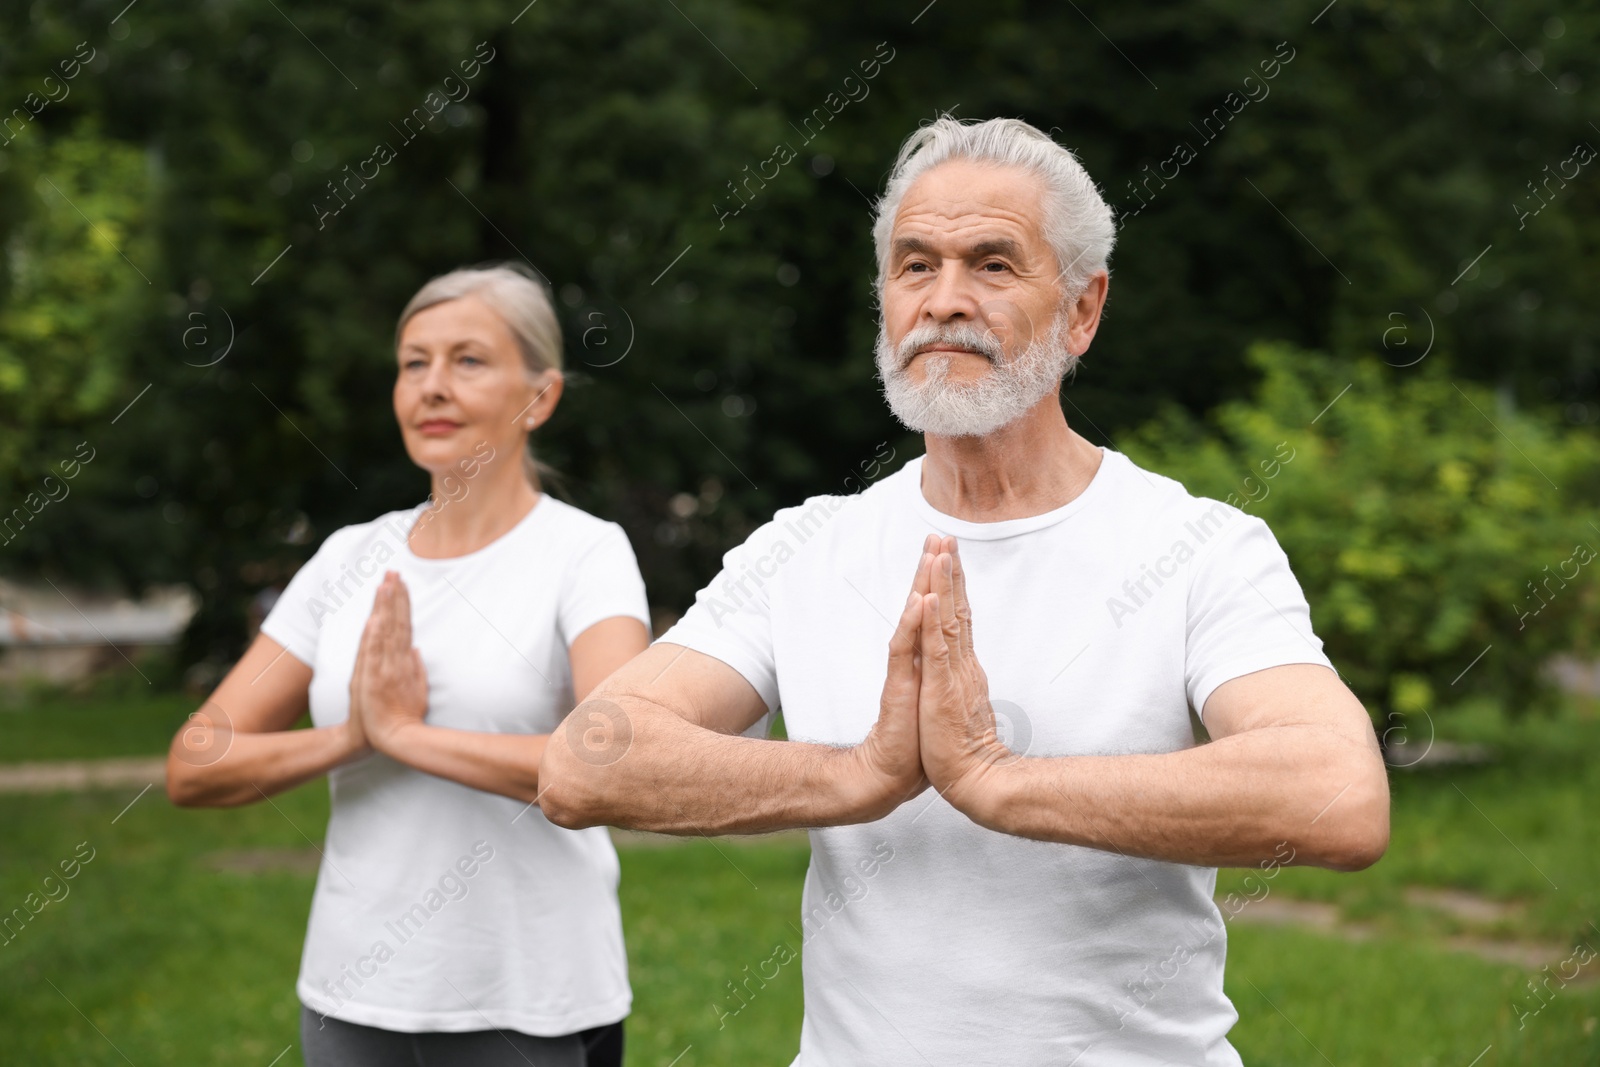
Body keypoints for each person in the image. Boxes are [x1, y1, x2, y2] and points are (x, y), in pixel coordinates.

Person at [537, 117, 1391, 1064]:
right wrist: (857, 774)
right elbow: (585, 761)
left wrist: (995, 781)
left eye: (992, 264)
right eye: (914, 266)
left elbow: (1339, 791)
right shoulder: (809, 546)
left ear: (1082, 310)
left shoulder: (1197, 547)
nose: (945, 302)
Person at [166, 263, 650, 1067]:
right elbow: (194, 763)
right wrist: (354, 735)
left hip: (533, 1003)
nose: (432, 386)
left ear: (541, 395)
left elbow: (614, 763)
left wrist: (404, 734)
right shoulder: (345, 560)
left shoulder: (586, 554)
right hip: (352, 1003)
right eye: (413, 362)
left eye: (468, 360)